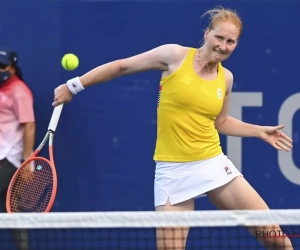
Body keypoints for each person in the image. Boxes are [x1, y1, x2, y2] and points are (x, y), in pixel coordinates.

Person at [52, 6, 294, 250]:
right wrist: (74, 86)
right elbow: (122, 66)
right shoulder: (174, 56)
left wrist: (258, 131)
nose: (223, 45)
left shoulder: (226, 78)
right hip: (172, 172)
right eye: (219, 37)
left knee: (275, 238)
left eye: (230, 41)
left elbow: (220, 122)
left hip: (211, 163)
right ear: (207, 33)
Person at [0, 48, 35, 250]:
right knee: (11, 208)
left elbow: (29, 125)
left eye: (2, 66)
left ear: (12, 68)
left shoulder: (20, 91)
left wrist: (26, 161)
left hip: (10, 159)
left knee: (11, 208)